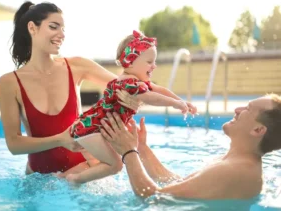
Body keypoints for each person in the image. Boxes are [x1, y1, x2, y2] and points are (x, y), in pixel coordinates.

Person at [0, 1, 140, 176]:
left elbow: (128, 86)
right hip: (38, 181)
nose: (61, 35)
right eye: (54, 27)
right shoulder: (9, 83)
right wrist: (60, 140)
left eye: (63, 29)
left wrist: (131, 96)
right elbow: (13, 145)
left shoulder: (77, 66)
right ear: (32, 28)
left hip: (84, 173)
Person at [100, 93, 281, 200]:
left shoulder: (233, 170)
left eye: (247, 109)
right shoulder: (233, 162)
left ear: (258, 130)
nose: (237, 109)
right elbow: (174, 183)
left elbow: (152, 197)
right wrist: (141, 149)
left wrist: (128, 152)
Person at [62, 30, 197, 183]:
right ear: (130, 62)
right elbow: (151, 97)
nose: (154, 66)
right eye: (149, 62)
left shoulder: (135, 82)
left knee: (100, 164)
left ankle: (63, 177)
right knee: (115, 165)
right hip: (91, 130)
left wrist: (182, 102)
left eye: (154, 61)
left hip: (92, 129)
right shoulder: (127, 84)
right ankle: (75, 180)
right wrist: (175, 104)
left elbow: (160, 90)